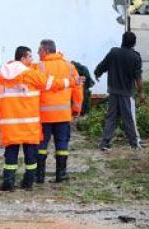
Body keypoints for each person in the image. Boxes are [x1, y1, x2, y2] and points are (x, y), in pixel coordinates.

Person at [0, 46, 77, 192]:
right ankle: (28, 182)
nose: (32, 60)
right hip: (29, 125)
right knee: (30, 156)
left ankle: (8, 182)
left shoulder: (2, 76)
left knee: (10, 156)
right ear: (22, 58)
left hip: (10, 125)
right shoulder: (30, 75)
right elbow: (53, 84)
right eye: (30, 57)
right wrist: (73, 82)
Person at [33, 39, 84, 184]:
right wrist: (76, 108)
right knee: (62, 144)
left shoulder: (39, 67)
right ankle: (61, 174)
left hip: (43, 116)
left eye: (39, 50)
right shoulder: (69, 66)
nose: (38, 53)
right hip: (63, 114)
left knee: (41, 146)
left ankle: (39, 176)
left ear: (46, 50)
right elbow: (77, 88)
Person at [94, 31, 145, 151]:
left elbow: (102, 66)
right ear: (134, 43)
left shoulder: (113, 52)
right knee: (128, 118)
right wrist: (141, 93)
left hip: (113, 91)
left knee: (111, 117)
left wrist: (97, 73)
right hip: (126, 93)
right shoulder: (135, 57)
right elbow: (138, 78)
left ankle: (104, 143)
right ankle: (134, 143)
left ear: (122, 40)